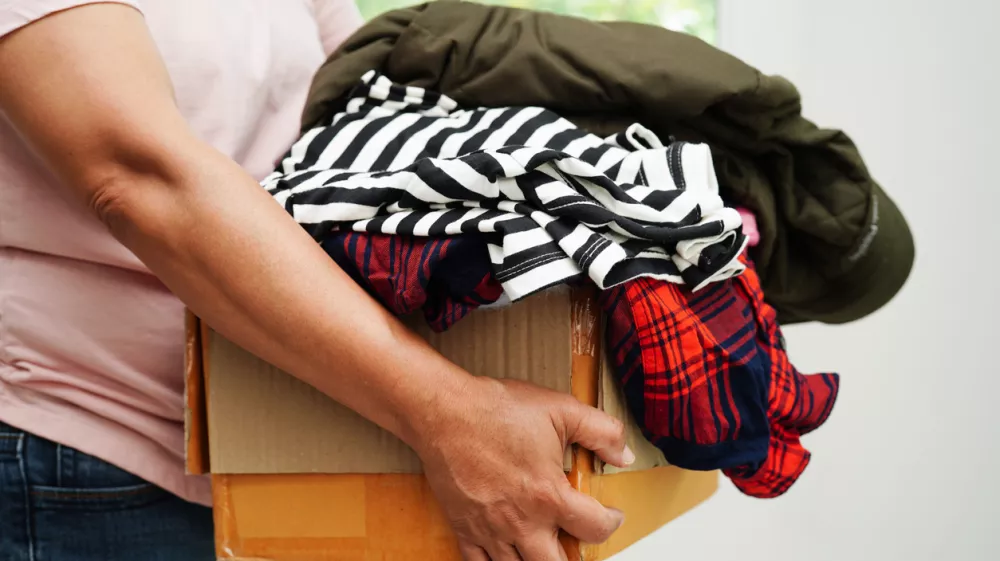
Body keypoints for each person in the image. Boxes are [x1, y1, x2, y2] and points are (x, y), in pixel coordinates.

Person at [0, 2, 634, 560]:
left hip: (287, 422)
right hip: (87, 447)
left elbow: (359, 120)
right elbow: (136, 179)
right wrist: (451, 415)